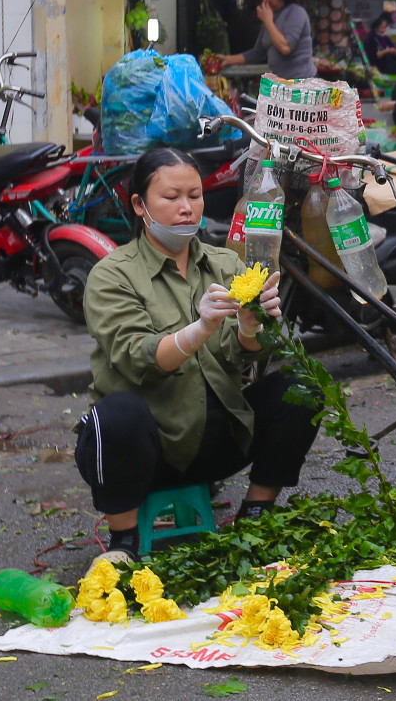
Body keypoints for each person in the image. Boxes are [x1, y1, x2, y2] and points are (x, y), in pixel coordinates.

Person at [75, 147, 320, 566]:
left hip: (220, 440)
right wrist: (199, 329)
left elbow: (244, 355)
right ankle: (124, 540)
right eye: (171, 198)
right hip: (147, 451)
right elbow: (139, 358)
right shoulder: (112, 274)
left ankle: (256, 513)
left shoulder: (227, 263)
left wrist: (250, 326)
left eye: (195, 195)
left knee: (301, 387)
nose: (186, 208)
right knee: (116, 415)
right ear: (139, 205)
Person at [217, 0, 315, 79]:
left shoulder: (296, 12)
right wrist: (228, 60)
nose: (264, 0)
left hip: (302, 83)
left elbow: (285, 47)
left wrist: (268, 21)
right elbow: (258, 52)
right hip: (282, 83)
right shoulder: (271, 17)